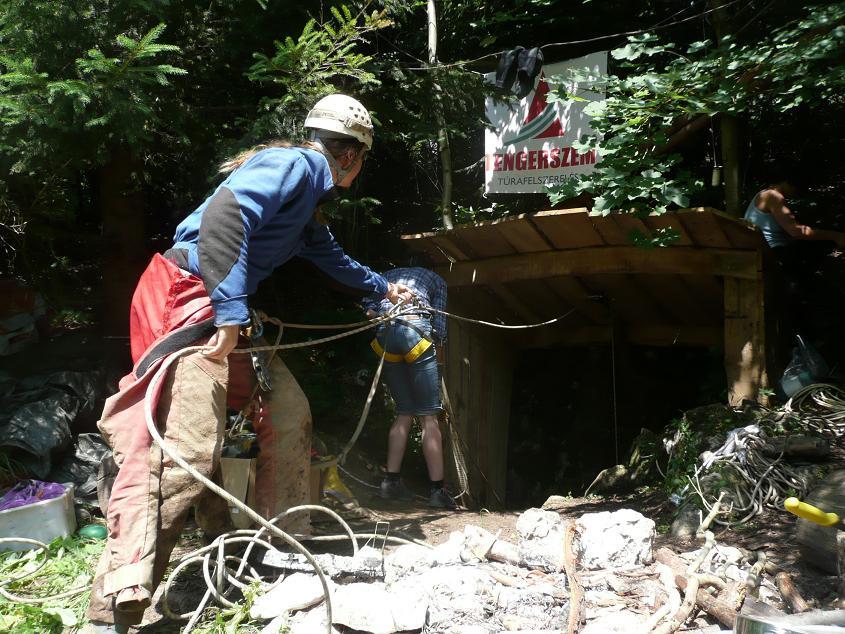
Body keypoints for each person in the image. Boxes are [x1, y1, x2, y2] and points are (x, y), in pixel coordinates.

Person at [85, 94, 414, 634]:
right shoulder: (298, 165)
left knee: (287, 413)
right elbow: (223, 220)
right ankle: (119, 600)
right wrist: (232, 315)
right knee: (182, 445)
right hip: (189, 294)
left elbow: (331, 258)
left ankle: (273, 548)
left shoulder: (306, 198)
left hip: (221, 302)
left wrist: (383, 289)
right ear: (352, 155)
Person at [362, 267, 457, 510]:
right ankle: (437, 491)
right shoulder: (436, 279)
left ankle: (390, 482)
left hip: (386, 337)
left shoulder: (385, 276)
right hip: (416, 333)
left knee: (404, 411)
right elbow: (440, 325)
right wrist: (439, 345)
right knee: (428, 416)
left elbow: (368, 308)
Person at [744, 176, 845, 337]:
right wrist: (835, 236)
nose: (796, 194)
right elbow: (796, 231)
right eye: (796, 189)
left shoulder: (763, 194)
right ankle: (810, 330)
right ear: (787, 182)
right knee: (808, 287)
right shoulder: (774, 197)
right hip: (774, 253)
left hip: (770, 250)